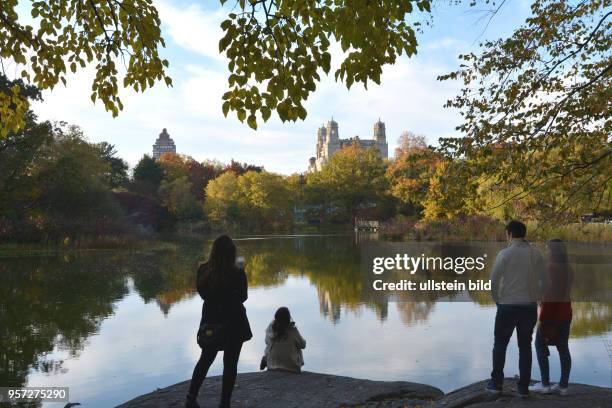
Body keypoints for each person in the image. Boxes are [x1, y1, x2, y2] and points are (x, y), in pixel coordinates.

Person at [186, 235, 253, 408]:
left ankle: (191, 397)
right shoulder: (237, 270)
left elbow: (203, 294)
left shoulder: (203, 269)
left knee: (205, 359)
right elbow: (243, 297)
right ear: (232, 251)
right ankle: (224, 403)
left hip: (211, 322)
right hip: (234, 323)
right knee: (230, 364)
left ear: (213, 250)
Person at [486, 220, 546, 397]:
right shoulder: (536, 254)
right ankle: (523, 388)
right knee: (525, 346)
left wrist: (498, 301)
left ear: (510, 234)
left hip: (507, 306)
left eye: (506, 234)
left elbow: (493, 281)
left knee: (500, 344)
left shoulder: (504, 254)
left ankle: (496, 383)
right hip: (528, 307)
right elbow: (544, 280)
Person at [529, 239, 573, 395]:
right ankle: (563, 386)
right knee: (563, 348)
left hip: (551, 313)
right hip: (565, 312)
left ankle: (545, 384)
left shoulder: (551, 268)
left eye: (547, 249)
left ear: (553, 251)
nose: (546, 251)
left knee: (540, 345)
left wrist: (542, 319)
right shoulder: (568, 268)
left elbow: (548, 295)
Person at [262, 307, 306, 373]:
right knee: (297, 346)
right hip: (291, 368)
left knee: (270, 346)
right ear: (288, 318)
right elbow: (303, 345)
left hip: (272, 366)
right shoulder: (293, 330)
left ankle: (266, 360)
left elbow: (266, 342)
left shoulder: (270, 329)